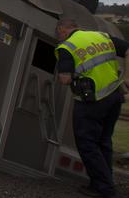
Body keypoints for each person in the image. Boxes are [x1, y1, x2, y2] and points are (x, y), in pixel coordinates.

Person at [54, 18, 129, 198]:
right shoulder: (101, 36)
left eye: (58, 34)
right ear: (76, 27)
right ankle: (100, 184)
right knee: (103, 141)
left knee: (87, 143)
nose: (59, 37)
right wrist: (127, 77)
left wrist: (72, 74)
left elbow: (64, 79)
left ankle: (105, 189)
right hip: (114, 96)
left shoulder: (66, 47)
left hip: (92, 101)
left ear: (62, 30)